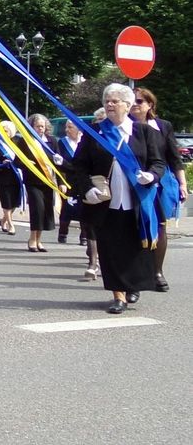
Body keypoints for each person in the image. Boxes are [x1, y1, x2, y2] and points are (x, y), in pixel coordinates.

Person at [70, 83, 165, 314]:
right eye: (107, 101)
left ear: (128, 105)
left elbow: (159, 163)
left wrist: (151, 176)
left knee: (135, 248)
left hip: (137, 202)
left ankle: (132, 285)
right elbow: (78, 167)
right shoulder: (94, 133)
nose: (110, 104)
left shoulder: (144, 132)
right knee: (110, 248)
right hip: (105, 202)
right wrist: (86, 189)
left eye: (115, 101)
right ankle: (118, 295)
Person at [130, 87, 188, 292]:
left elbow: (174, 157)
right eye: (132, 101)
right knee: (134, 228)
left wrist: (182, 183)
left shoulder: (163, 126)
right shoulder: (124, 127)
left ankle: (157, 272)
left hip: (160, 182)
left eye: (139, 101)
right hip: (133, 182)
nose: (134, 104)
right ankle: (135, 276)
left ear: (150, 105)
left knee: (159, 226)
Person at [14, 113, 59, 252]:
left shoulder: (52, 141)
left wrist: (62, 181)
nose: (40, 129)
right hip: (33, 180)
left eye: (42, 126)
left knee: (46, 210)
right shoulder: (25, 141)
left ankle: (39, 240)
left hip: (48, 181)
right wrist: (26, 162)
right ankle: (32, 239)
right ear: (31, 127)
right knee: (37, 209)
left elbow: (59, 161)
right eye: (37, 126)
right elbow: (17, 161)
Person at [0, 121, 21, 236]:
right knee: (6, 202)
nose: (4, 132)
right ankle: (10, 225)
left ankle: (4, 220)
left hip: (16, 176)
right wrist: (2, 163)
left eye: (6, 130)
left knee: (15, 202)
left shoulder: (17, 143)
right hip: (3, 177)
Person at [56, 120, 83, 244]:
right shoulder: (62, 143)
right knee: (67, 207)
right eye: (66, 127)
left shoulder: (85, 141)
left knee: (84, 207)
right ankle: (63, 233)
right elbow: (58, 165)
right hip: (68, 180)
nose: (67, 130)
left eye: (70, 127)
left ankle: (84, 236)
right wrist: (61, 182)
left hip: (82, 180)